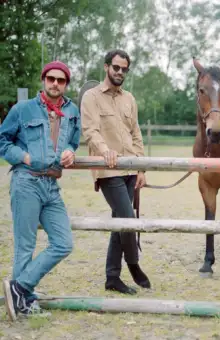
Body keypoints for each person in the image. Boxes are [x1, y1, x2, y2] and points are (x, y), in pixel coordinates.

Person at [0, 61, 80, 320]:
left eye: (61, 80)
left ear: (66, 84)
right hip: (26, 182)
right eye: (51, 79)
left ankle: (19, 288)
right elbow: (3, 140)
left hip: (51, 185)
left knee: (63, 243)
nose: (55, 84)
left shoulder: (72, 111)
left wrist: (70, 152)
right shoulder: (23, 109)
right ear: (43, 80)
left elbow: (74, 141)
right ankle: (23, 303)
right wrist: (23, 157)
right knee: (25, 246)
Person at [81, 49, 150, 295]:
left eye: (124, 69)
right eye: (116, 67)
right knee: (127, 219)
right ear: (106, 67)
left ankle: (112, 277)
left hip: (130, 169)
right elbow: (90, 130)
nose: (120, 72)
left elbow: (136, 133)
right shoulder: (91, 97)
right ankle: (133, 264)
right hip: (107, 170)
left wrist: (142, 166)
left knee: (119, 222)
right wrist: (104, 150)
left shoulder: (129, 98)